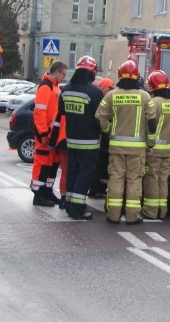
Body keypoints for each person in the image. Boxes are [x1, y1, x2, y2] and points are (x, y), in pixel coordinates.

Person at [95, 60, 156, 224]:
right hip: (137, 150)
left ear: (120, 75)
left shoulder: (111, 95)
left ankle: (113, 215)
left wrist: (109, 131)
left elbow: (99, 117)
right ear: (136, 76)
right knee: (134, 181)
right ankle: (132, 216)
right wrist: (150, 144)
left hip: (116, 147)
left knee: (116, 179)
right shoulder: (145, 96)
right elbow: (152, 122)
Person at [50, 56, 103, 220]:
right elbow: (100, 118)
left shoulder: (65, 90)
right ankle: (77, 209)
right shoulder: (94, 92)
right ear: (91, 72)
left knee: (72, 173)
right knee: (84, 175)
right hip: (89, 144)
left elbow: (63, 113)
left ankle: (70, 205)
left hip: (71, 141)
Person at [142, 70, 170, 220]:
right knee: (163, 179)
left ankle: (151, 211)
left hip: (152, 149)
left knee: (152, 178)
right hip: (166, 150)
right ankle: (162, 210)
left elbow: (147, 125)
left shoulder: (153, 103)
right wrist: (167, 134)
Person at [31, 62, 67, 206]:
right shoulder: (45, 87)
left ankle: (47, 191)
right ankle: (38, 194)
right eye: (63, 74)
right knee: (42, 163)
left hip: (53, 134)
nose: (64, 77)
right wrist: (43, 133)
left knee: (52, 163)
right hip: (45, 134)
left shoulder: (54, 87)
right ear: (56, 72)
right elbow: (39, 113)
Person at [88, 77, 114, 198]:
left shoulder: (104, 99)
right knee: (99, 166)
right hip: (101, 138)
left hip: (104, 139)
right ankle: (95, 189)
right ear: (103, 87)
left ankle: (99, 189)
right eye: (109, 89)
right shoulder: (100, 100)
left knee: (102, 166)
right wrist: (109, 131)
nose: (110, 91)